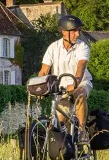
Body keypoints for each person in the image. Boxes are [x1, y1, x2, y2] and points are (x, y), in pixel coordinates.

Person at [39, 14, 93, 144]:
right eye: (74, 31)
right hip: (61, 88)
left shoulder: (82, 47)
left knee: (79, 94)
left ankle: (81, 131)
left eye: (78, 30)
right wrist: (40, 86)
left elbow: (81, 67)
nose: (77, 34)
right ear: (64, 32)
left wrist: (75, 83)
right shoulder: (53, 48)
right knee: (60, 122)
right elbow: (44, 70)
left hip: (81, 82)